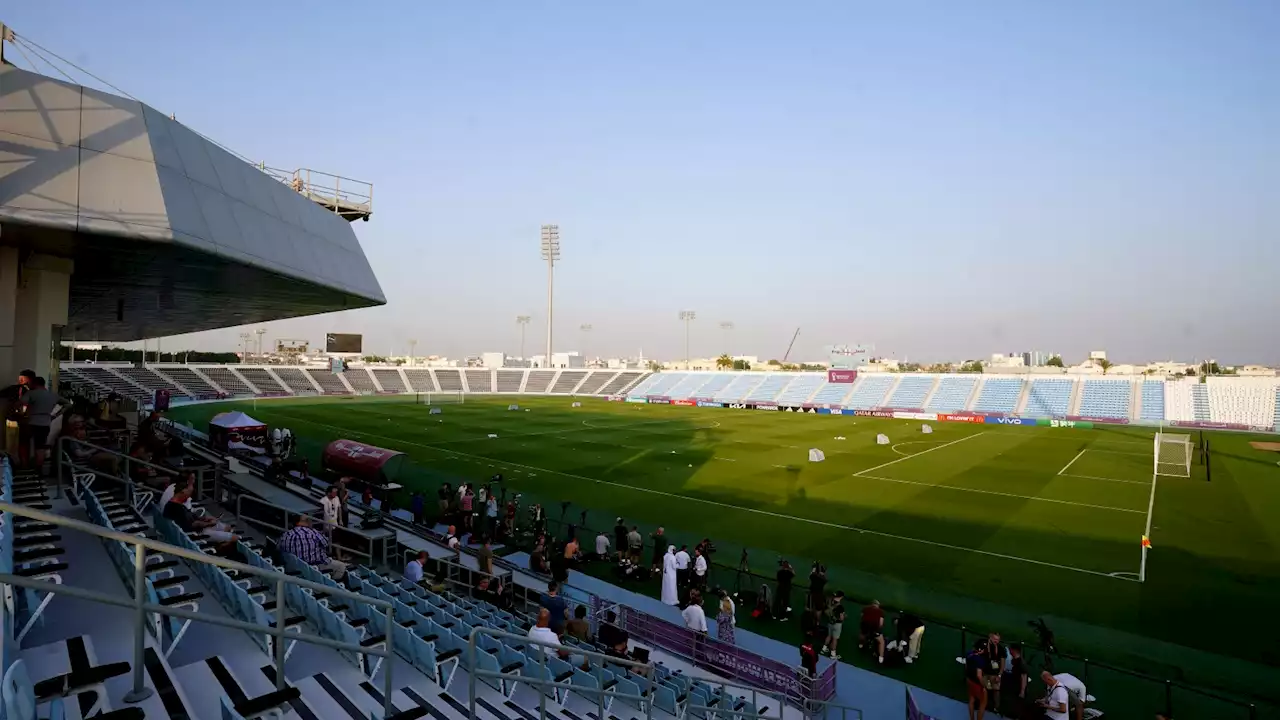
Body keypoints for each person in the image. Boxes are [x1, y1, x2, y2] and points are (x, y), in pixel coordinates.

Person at [18, 376, 65, 474]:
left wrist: (20, 414)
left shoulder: (31, 393)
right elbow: (68, 404)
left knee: (23, 443)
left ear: (35, 384)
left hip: (31, 422)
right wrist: (56, 415)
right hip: (45, 423)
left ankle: (24, 466)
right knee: (40, 447)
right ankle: (38, 470)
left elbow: (20, 403)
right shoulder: (53, 395)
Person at [279, 515, 347, 580]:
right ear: (306, 521)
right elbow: (326, 544)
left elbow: (278, 547)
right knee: (341, 566)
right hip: (314, 566)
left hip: (294, 567)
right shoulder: (313, 532)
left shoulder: (286, 535)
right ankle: (331, 584)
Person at [1002, 643, 1029, 718]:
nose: (1009, 651)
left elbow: (1024, 677)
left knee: (1018, 702)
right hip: (1014, 685)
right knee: (1013, 701)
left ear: (1013, 650)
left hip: (1019, 686)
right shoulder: (1015, 660)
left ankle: (1017, 716)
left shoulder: (1021, 663)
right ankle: (1012, 714)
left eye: (1010, 649)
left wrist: (1022, 691)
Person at [965, 640, 988, 720]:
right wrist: (984, 686)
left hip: (969, 680)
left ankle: (972, 719)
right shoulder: (980, 660)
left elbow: (966, 667)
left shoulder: (969, 654)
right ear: (981, 650)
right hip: (977, 684)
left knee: (971, 699)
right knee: (983, 703)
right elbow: (979, 675)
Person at [984, 632, 1005, 714]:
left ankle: (996, 707)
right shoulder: (984, 646)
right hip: (985, 673)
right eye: (995, 639)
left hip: (995, 674)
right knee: (986, 688)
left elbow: (1003, 664)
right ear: (990, 638)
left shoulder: (1000, 649)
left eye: (998, 640)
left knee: (996, 690)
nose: (996, 641)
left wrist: (999, 675)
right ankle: (985, 704)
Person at [824, 591, 846, 659]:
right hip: (837, 624)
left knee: (829, 635)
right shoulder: (840, 607)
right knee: (835, 639)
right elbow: (841, 618)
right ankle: (833, 654)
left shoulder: (830, 602)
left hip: (830, 622)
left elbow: (826, 611)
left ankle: (824, 648)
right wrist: (844, 617)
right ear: (841, 597)